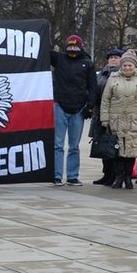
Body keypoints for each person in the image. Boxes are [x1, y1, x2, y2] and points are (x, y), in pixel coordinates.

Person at [99, 51, 137, 189]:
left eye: (129, 65)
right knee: (117, 151)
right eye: (124, 65)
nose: (127, 68)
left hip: (135, 121)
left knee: (131, 152)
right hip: (116, 120)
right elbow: (106, 100)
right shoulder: (113, 78)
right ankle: (119, 177)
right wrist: (105, 118)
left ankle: (128, 177)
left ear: (134, 65)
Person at [49, 34, 96, 186]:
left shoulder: (87, 63)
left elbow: (92, 86)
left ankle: (72, 176)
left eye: (75, 46)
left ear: (81, 47)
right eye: (70, 46)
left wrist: (90, 106)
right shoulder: (59, 59)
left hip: (79, 109)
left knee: (74, 146)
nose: (72, 49)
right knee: (58, 144)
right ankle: (56, 175)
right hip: (60, 106)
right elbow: (44, 50)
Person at [89, 48, 123, 186]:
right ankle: (106, 173)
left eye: (116, 57)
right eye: (111, 57)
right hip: (100, 114)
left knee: (114, 146)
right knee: (103, 144)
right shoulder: (101, 74)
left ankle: (116, 174)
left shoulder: (123, 73)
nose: (113, 59)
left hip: (116, 115)